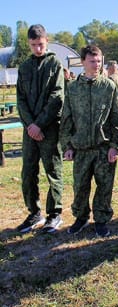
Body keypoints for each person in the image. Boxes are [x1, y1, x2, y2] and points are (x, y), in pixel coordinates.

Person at [60, 45, 118, 237]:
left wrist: (116, 145)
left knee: (104, 186)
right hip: (81, 148)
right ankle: (81, 218)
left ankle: (101, 220)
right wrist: (67, 146)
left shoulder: (109, 86)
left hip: (103, 148)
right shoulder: (73, 88)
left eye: (99, 61)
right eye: (92, 61)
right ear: (82, 62)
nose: (96, 65)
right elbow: (67, 119)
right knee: (80, 186)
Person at [16, 24, 65, 234]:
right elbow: (20, 99)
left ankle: (55, 214)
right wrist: (30, 125)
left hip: (49, 129)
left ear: (47, 41)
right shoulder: (24, 67)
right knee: (28, 172)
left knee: (53, 171)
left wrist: (39, 124)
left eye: (41, 44)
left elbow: (57, 97)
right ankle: (34, 213)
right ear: (29, 44)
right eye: (34, 45)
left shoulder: (54, 63)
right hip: (30, 132)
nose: (38, 49)